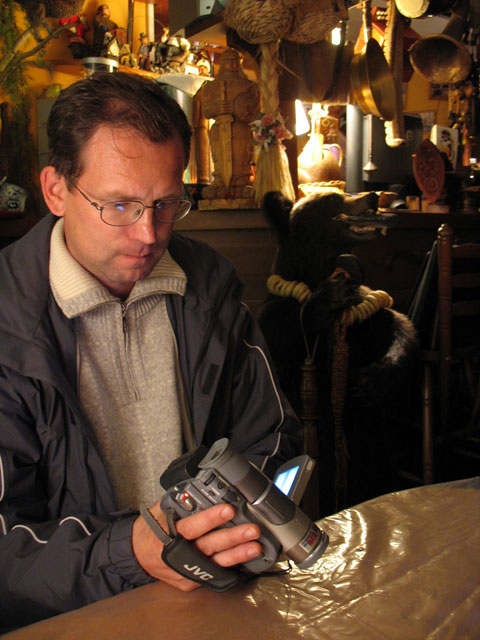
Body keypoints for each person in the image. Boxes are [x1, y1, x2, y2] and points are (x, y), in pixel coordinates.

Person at [0, 71, 301, 632]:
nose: (148, 235)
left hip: (219, 600)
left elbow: (274, 439)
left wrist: (237, 526)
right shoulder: (8, 325)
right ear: (56, 190)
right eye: (119, 205)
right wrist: (130, 552)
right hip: (71, 620)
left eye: (166, 204)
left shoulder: (209, 287)